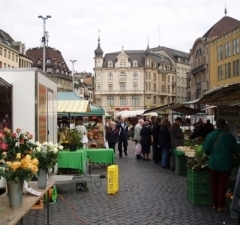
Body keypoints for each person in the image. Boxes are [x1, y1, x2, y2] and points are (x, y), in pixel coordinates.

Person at [203, 118, 238, 212]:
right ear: (224, 126)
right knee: (222, 184)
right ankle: (221, 206)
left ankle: (215, 204)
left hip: (213, 163)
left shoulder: (210, 135)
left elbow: (206, 150)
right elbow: (235, 149)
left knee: (214, 184)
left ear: (216, 125)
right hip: (225, 164)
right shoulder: (229, 136)